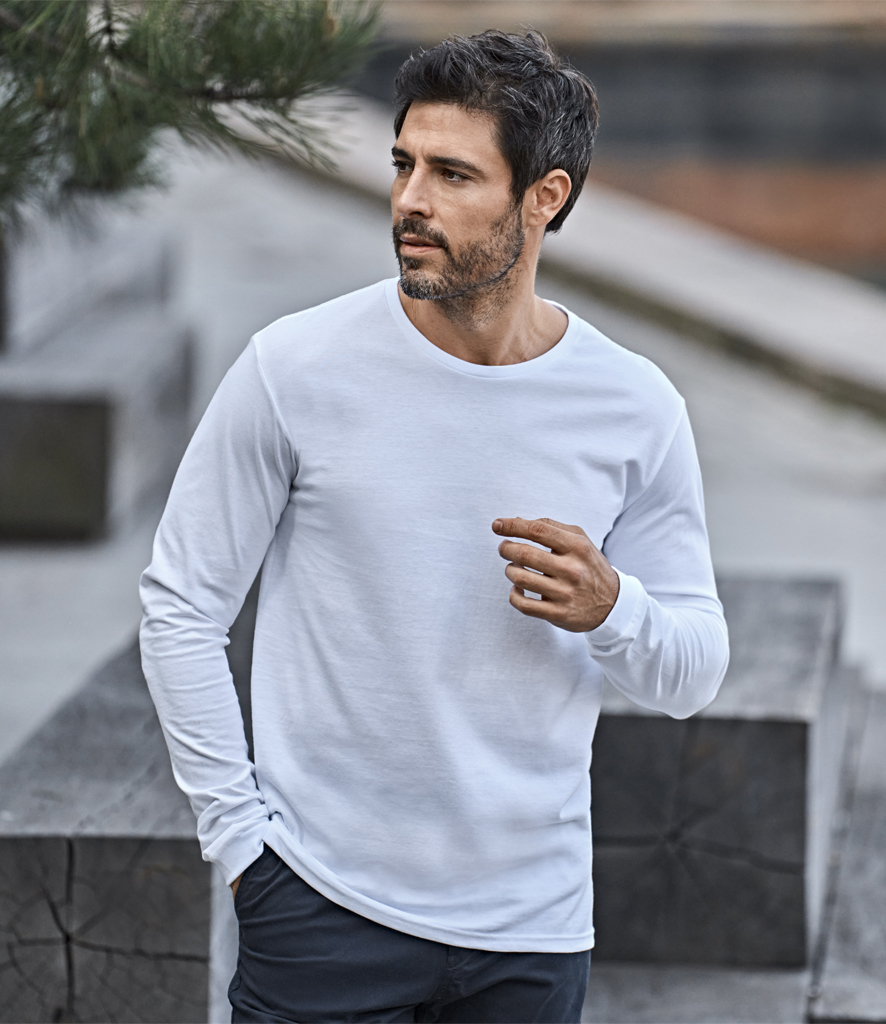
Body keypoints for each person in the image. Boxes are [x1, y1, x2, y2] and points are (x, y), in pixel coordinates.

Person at [140, 29, 729, 1024]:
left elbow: (695, 671)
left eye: (453, 174)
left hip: (531, 934)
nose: (410, 199)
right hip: (319, 908)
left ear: (543, 197)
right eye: (403, 164)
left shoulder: (634, 407)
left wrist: (612, 609)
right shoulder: (295, 369)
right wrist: (240, 844)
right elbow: (180, 608)